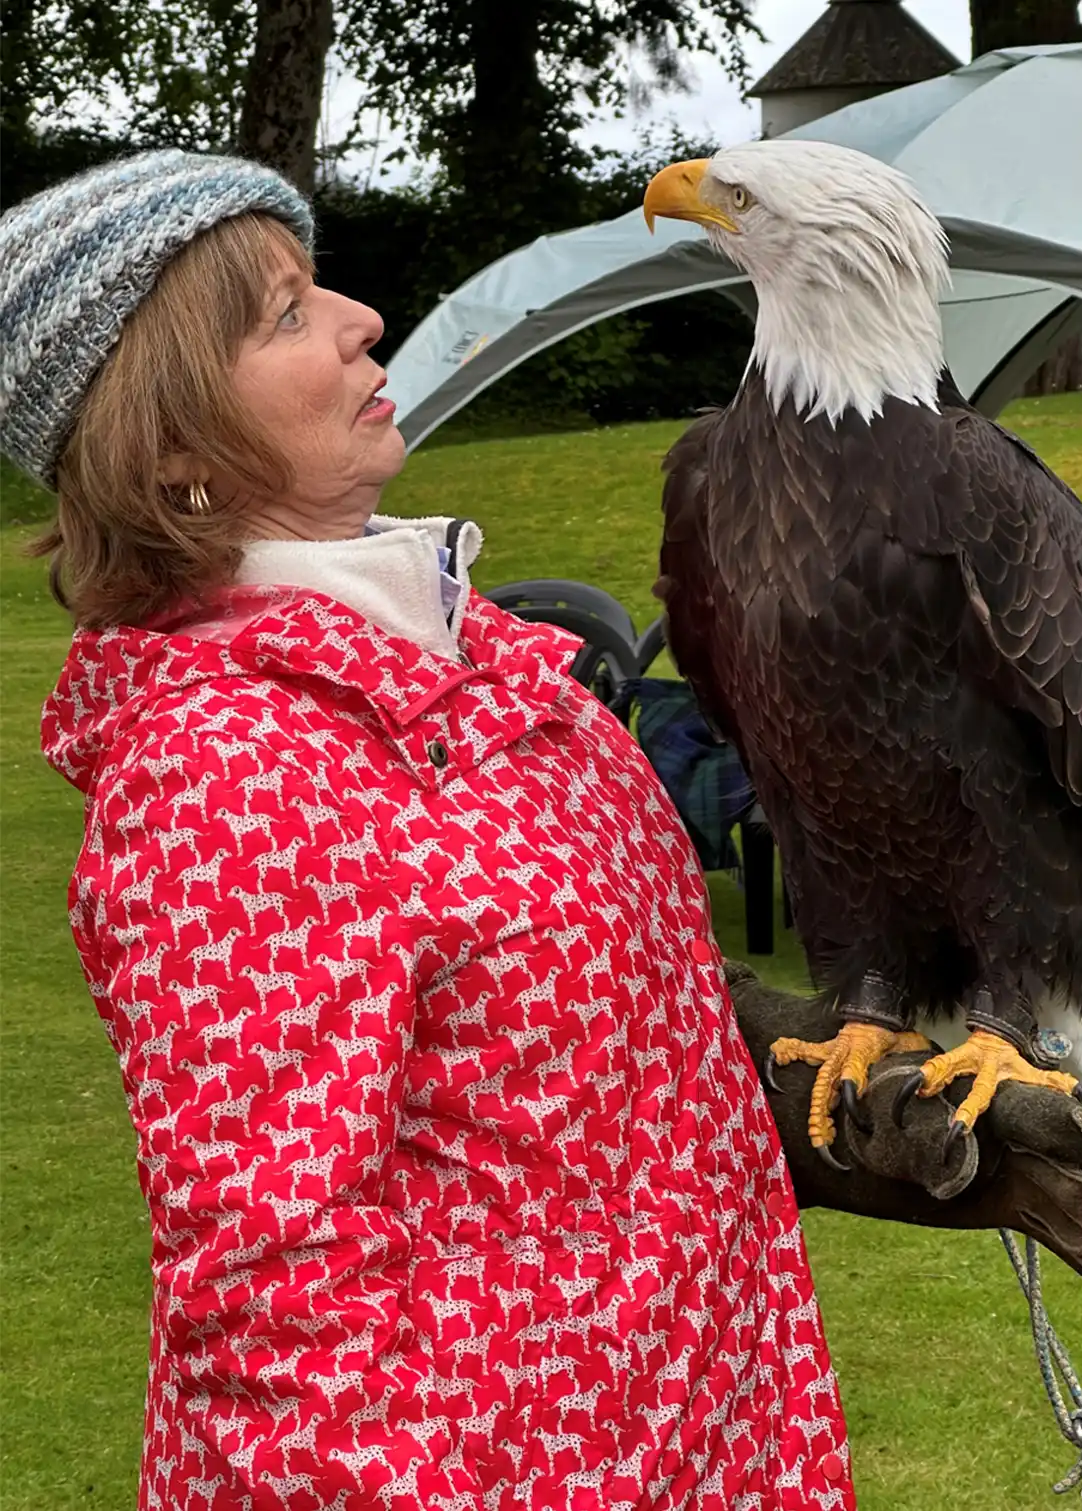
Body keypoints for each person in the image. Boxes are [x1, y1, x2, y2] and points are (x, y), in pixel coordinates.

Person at [6, 150, 853, 1509]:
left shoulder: (496, 672)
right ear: (170, 448)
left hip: (704, 1436)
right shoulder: (227, 775)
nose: (362, 320)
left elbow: (629, 1022)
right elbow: (278, 1303)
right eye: (285, 314)